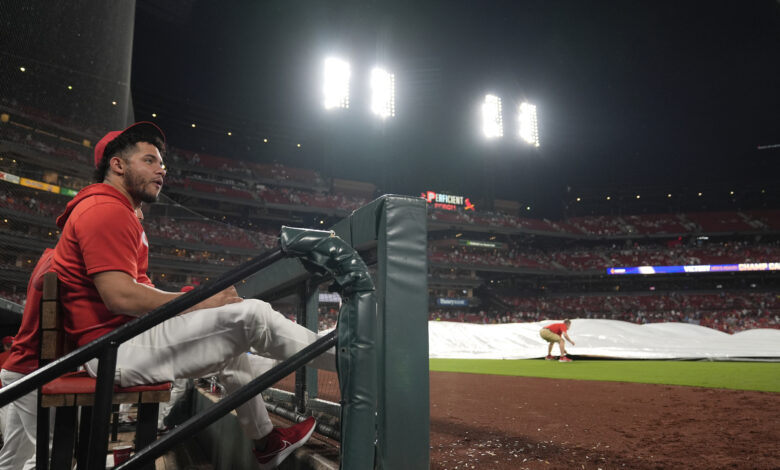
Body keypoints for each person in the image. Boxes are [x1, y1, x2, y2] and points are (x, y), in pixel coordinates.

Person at [50, 122, 334, 469]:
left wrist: (191, 302)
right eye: (149, 160)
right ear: (118, 165)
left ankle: (266, 442)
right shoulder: (104, 209)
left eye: (162, 163)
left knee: (230, 348)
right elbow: (120, 298)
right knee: (253, 316)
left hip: (116, 341)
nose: (161, 170)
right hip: (113, 350)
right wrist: (198, 303)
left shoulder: (110, 207)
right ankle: (351, 359)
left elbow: (132, 293)